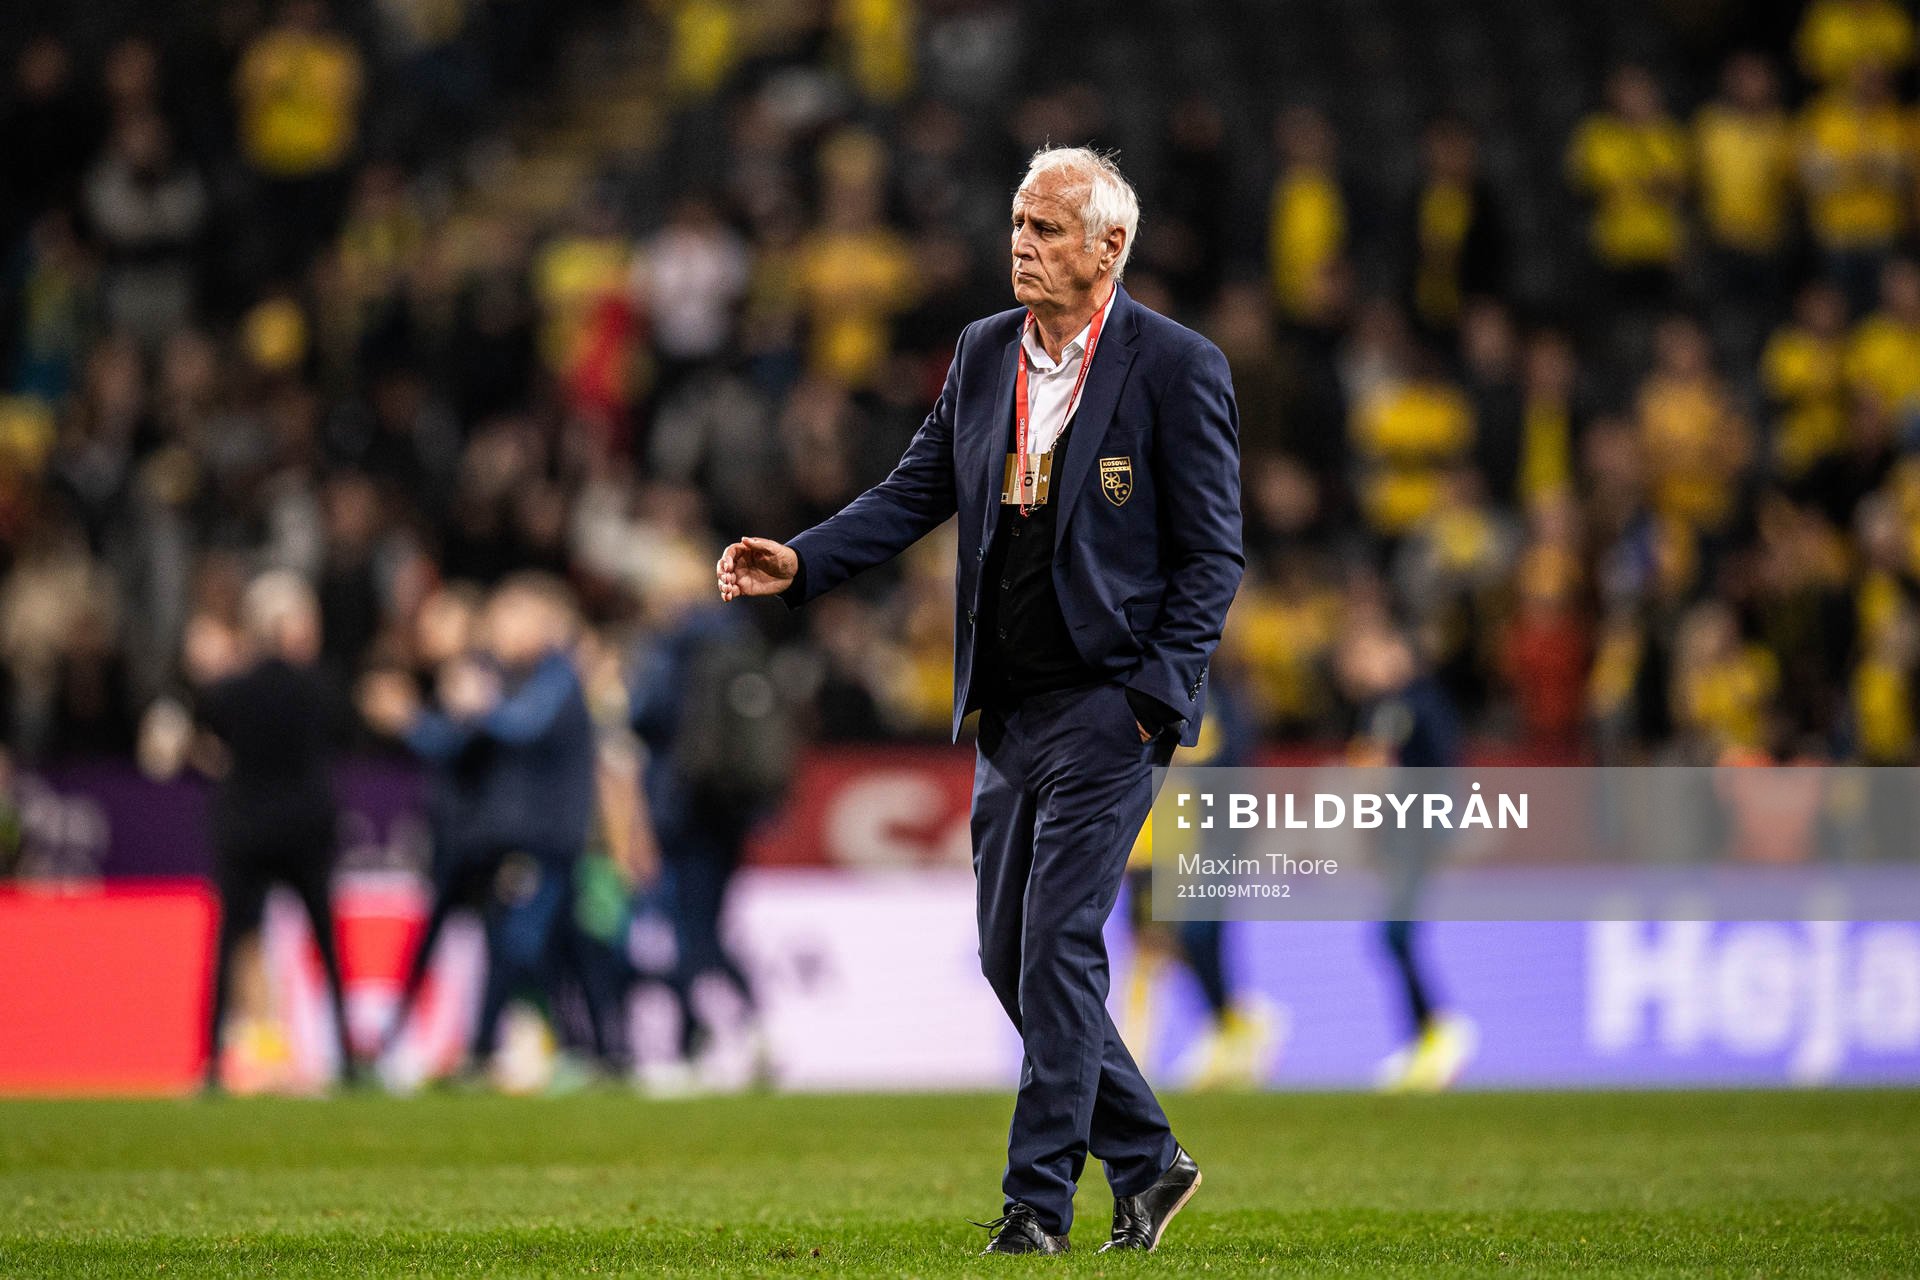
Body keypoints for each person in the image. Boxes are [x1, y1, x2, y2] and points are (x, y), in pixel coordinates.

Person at [717, 146, 1243, 1255]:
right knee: (1012, 957)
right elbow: (917, 490)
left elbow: (1212, 558)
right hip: (1006, 711)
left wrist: (1155, 696)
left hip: (1110, 707)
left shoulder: (1177, 366)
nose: (1023, 242)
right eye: (1018, 222)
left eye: (1049, 228)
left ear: (1110, 249)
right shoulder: (983, 350)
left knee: (1057, 946)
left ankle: (1033, 1208)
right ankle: (1149, 1159)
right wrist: (803, 562)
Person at [362, 574, 597, 1081]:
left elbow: (508, 728)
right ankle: (554, 1048)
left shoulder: (548, 677)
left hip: (535, 837)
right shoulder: (514, 677)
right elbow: (455, 741)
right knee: (536, 947)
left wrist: (456, 710)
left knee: (529, 945)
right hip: (503, 837)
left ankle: (560, 1048)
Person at [629, 544, 789, 1093]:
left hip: (682, 807)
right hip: (731, 808)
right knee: (706, 928)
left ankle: (694, 1045)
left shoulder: (672, 645)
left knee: (688, 931)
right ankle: (739, 1032)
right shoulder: (738, 637)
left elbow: (642, 713)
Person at [193, 571, 356, 1091]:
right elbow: (343, 730)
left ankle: (211, 1061)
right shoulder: (320, 687)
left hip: (245, 828)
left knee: (229, 940)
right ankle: (348, 1059)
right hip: (305, 828)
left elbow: (211, 732)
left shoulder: (230, 690)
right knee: (326, 943)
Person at [1336, 616, 1477, 1093]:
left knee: (1394, 935)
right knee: (1393, 937)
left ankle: (1438, 1032)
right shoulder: (1381, 707)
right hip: (1400, 839)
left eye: (1368, 653)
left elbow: (1423, 772)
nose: (1359, 666)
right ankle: (1428, 1037)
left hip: (1418, 836)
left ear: (1395, 650)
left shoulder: (1416, 703)